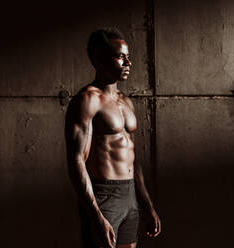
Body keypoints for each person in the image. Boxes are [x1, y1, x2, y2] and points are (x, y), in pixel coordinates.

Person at [65, 27, 161, 248]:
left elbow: (133, 158)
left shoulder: (125, 102)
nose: (128, 63)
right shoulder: (88, 101)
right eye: (120, 57)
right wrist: (95, 214)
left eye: (128, 56)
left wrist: (146, 204)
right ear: (99, 59)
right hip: (103, 195)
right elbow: (76, 162)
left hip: (130, 195)